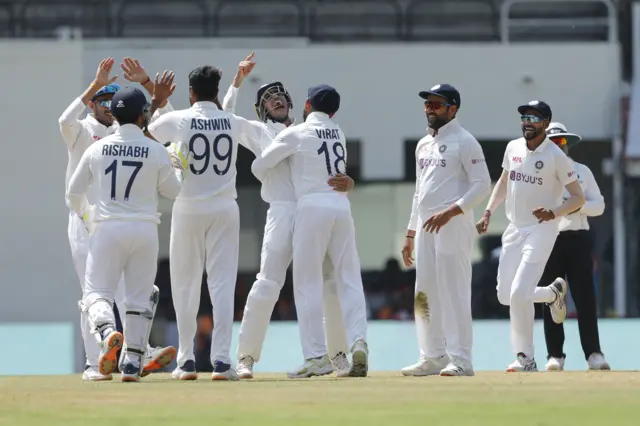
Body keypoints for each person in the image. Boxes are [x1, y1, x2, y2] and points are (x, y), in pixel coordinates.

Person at [221, 54, 352, 378]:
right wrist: (237, 81)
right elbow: (224, 118)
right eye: (268, 97)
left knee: (328, 283)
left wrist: (349, 180)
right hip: (282, 210)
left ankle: (336, 355)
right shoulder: (256, 130)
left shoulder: (309, 130)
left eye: (280, 94)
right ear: (261, 109)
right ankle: (246, 357)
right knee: (268, 283)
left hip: (316, 210)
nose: (276, 98)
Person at [147, 64, 270, 381]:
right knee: (223, 285)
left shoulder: (180, 119)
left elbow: (147, 134)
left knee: (185, 284)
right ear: (216, 91)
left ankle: (186, 361)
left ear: (190, 93)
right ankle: (220, 361)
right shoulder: (231, 121)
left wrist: (156, 98)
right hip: (225, 208)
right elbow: (264, 140)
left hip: (187, 207)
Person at [58, 57, 176, 381]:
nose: (108, 106)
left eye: (112, 101)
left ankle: (132, 352)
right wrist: (94, 85)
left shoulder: (115, 136)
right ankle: (95, 363)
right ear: (93, 104)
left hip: (111, 225)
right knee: (95, 291)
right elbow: (64, 121)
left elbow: (157, 129)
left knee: (123, 292)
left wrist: (154, 97)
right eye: (102, 100)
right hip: (88, 222)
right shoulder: (83, 131)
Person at [251, 85, 369, 377]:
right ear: (334, 111)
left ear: (306, 104)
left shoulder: (297, 132)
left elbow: (259, 165)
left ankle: (316, 355)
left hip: (311, 206)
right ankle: (359, 341)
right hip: (341, 206)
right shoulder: (338, 131)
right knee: (349, 278)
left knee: (307, 282)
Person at [477, 101, 586, 372]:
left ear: (546, 123)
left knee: (519, 293)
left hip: (542, 228)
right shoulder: (512, 148)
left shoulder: (557, 157)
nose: (528, 122)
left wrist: (554, 212)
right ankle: (551, 294)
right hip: (515, 228)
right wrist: (489, 211)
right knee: (505, 295)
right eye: (525, 117)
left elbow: (578, 197)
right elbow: (504, 182)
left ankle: (526, 358)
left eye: (534, 118)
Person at [399, 84, 491, 377]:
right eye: (427, 104)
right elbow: (418, 192)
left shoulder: (465, 141)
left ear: (452, 109)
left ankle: (461, 359)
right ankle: (432, 356)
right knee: (423, 293)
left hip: (453, 224)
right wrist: (411, 232)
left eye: (437, 105)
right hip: (426, 226)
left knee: (454, 291)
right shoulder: (423, 144)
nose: (430, 109)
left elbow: (482, 185)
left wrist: (452, 211)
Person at [538, 122, 610, 371]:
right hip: (550, 239)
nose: (558, 147)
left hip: (578, 238)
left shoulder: (581, 171)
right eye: (552, 143)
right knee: (551, 296)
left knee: (584, 297)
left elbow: (599, 205)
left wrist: (576, 205)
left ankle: (594, 353)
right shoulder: (538, 175)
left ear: (566, 144)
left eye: (561, 142)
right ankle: (555, 355)